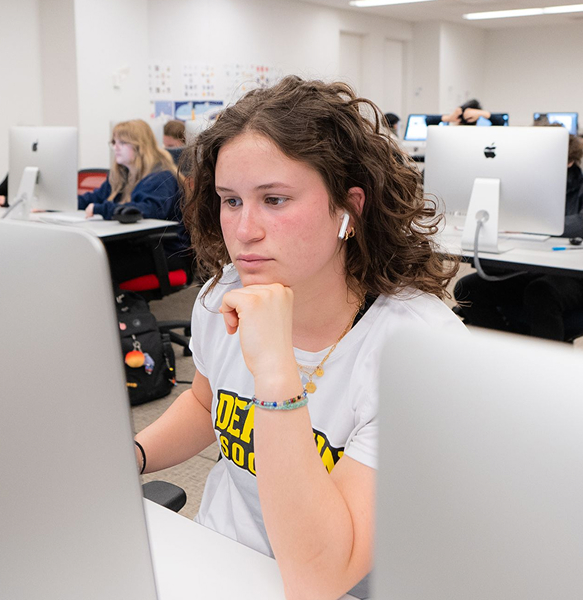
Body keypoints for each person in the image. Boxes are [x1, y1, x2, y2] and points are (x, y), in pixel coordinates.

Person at [133, 76, 465, 600]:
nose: (244, 230)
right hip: (217, 562)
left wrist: (274, 371)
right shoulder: (224, 295)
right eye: (231, 201)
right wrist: (133, 455)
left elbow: (318, 579)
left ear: (348, 209)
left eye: (275, 199)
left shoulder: (417, 352)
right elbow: (206, 403)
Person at [453, 133, 583, 341]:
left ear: (569, 161)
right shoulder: (526, 183)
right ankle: (508, 348)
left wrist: (533, 226)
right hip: (530, 266)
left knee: (541, 292)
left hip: (572, 274)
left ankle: (546, 366)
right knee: (466, 288)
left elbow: (579, 223)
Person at [78, 119, 188, 283]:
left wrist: (101, 209)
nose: (116, 147)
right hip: (133, 246)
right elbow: (91, 199)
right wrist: (56, 204)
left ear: (140, 146)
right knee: (84, 260)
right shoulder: (121, 175)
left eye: (122, 142)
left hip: (161, 251)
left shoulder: (161, 177)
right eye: (114, 142)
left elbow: (144, 210)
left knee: (96, 269)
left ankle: (124, 306)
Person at [426, 99, 507, 127]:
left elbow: (501, 122)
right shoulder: (450, 131)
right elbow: (428, 120)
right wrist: (449, 118)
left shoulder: (481, 133)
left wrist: (480, 113)